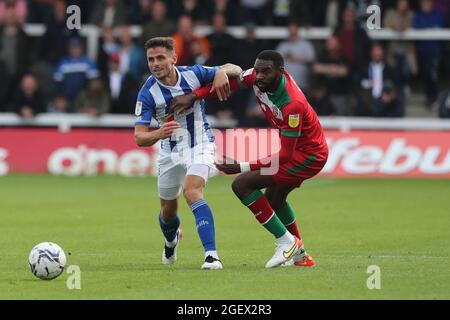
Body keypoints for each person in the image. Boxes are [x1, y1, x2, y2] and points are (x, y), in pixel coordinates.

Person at [170, 50, 328, 268]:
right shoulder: (255, 76)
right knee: (274, 199)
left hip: (308, 157)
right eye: (258, 70)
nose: (259, 76)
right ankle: (300, 256)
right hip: (299, 153)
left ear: (280, 72)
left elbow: (285, 155)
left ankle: (287, 242)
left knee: (242, 184)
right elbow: (226, 87)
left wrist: (240, 166)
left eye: (266, 72)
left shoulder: (293, 104)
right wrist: (194, 96)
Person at [133, 37, 242, 269]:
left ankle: (211, 255)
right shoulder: (147, 93)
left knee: (192, 191)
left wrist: (222, 72)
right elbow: (140, 137)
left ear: (173, 58)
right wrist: (159, 133)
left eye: (160, 57)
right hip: (169, 153)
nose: (155, 63)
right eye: (151, 59)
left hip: (200, 144)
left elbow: (238, 69)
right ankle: (170, 241)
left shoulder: (193, 74)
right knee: (168, 213)